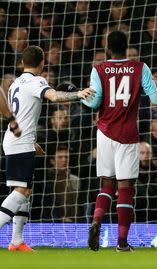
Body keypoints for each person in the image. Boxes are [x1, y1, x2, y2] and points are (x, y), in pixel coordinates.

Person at [82, 31, 157, 252]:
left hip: (104, 132)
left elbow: (94, 101)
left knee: (106, 183)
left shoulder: (99, 69)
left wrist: (81, 97)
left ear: (107, 47)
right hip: (127, 134)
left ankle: (96, 220)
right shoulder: (139, 67)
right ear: (127, 47)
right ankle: (122, 243)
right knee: (125, 188)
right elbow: (154, 98)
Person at [0, 45, 93, 252]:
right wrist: (79, 93)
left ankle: (17, 241)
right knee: (22, 190)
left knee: (25, 190)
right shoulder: (37, 81)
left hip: (17, 139)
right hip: (20, 141)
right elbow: (56, 97)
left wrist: (32, 142)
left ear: (22, 63)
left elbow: (22, 112)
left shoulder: (16, 83)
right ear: (42, 63)